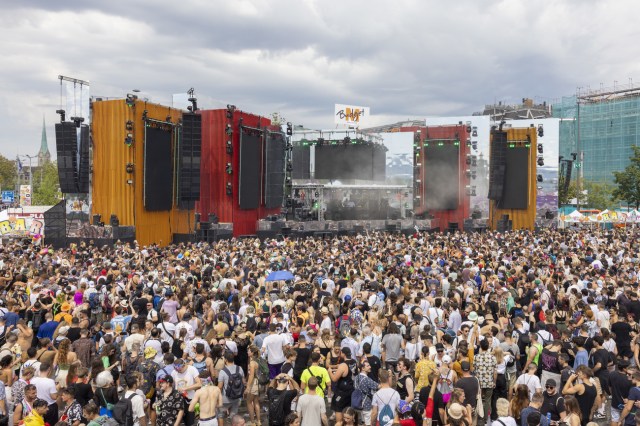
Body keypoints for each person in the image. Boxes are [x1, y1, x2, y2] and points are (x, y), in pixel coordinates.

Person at [172, 357, 201, 426]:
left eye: (179, 370)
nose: (177, 371)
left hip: (190, 400)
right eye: (176, 370)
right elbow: (172, 386)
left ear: (184, 365)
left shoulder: (192, 369)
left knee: (190, 422)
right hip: (178, 400)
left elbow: (199, 384)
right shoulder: (174, 372)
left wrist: (186, 388)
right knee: (177, 422)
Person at [474, 339, 496, 425]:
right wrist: (494, 382)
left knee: (478, 399)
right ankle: (486, 419)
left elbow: (474, 370)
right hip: (489, 382)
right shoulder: (493, 357)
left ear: (481, 347)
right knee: (488, 400)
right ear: (488, 347)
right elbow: (495, 372)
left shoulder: (476, 357)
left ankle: (479, 417)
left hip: (479, 383)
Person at [217, 350, 244, 419]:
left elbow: (220, 387)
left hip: (225, 398)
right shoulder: (239, 368)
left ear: (225, 360)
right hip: (237, 397)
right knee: (234, 416)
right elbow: (243, 382)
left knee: (220, 415)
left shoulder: (222, 371)